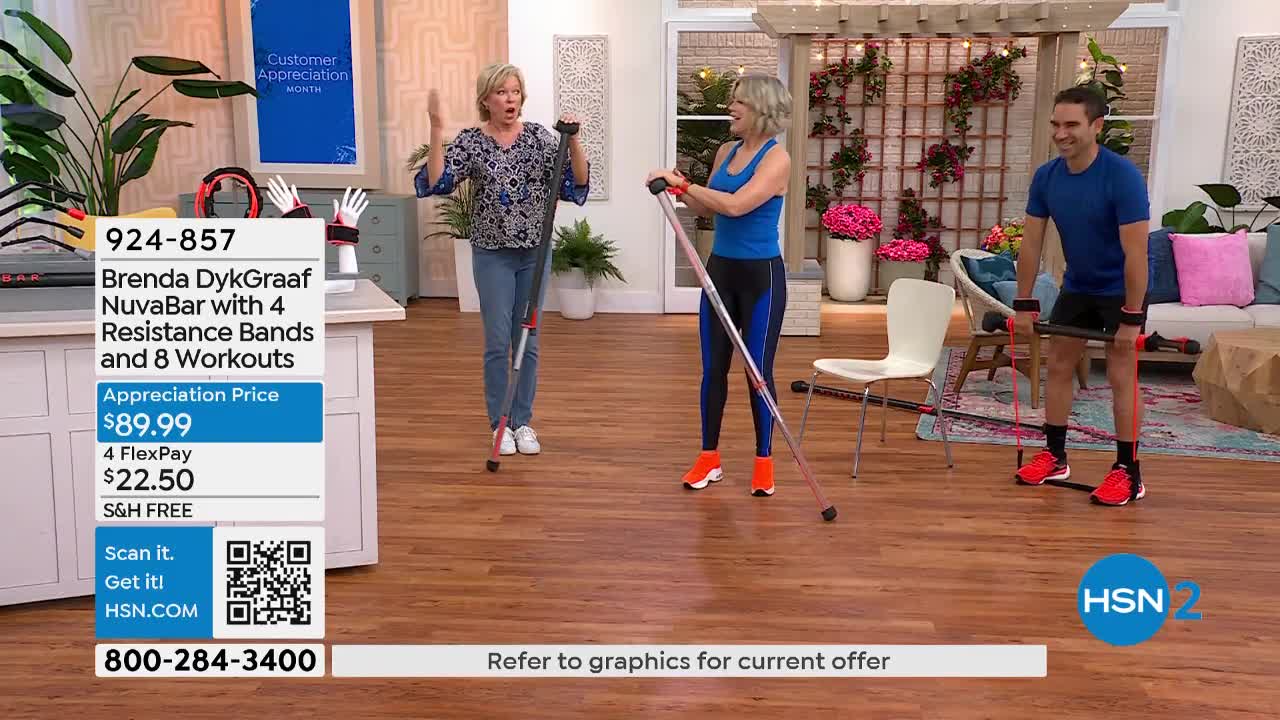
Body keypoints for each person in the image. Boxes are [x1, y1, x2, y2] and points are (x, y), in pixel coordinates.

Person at [417, 62, 589, 455]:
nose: (510, 98)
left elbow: (575, 181)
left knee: (527, 340)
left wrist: (574, 140)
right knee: (497, 341)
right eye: (501, 92)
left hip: (534, 252)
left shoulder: (539, 139)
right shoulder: (473, 141)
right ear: (486, 100)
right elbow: (438, 180)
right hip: (492, 254)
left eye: (514, 91)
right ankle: (500, 424)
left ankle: (523, 421)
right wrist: (437, 128)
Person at [646, 73, 793, 498]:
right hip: (721, 274)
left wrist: (686, 187)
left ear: (761, 109)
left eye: (738, 102)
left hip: (761, 277)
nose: (730, 107)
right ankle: (709, 457)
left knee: (757, 372)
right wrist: (676, 186)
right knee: (713, 369)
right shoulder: (726, 151)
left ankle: (764, 462)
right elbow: (707, 203)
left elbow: (735, 205)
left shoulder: (775, 158)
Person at [1011, 86, 1150, 506]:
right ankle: (1055, 455)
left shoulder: (1121, 176)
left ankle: (1128, 471)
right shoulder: (1047, 177)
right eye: (1056, 124)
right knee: (1058, 366)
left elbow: (1136, 252)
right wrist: (1024, 303)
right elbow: (1032, 243)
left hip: (1122, 288)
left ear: (1096, 125)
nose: (1061, 133)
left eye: (1071, 124)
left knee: (1120, 375)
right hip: (1079, 284)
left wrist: (1130, 317)